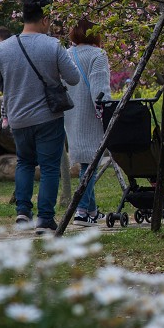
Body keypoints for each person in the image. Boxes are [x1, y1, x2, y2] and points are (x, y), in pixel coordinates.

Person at [0, 0, 80, 234]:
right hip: (48, 117)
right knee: (49, 167)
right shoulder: (52, 45)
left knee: (24, 163)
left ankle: (23, 213)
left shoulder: (4, 48)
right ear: (45, 19)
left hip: (17, 118)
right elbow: (74, 78)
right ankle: (45, 219)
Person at [65, 18, 112, 225]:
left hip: (70, 114)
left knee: (86, 160)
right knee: (90, 163)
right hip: (91, 115)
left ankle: (92, 211)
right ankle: (82, 211)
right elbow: (99, 89)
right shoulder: (98, 55)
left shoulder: (66, 54)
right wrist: (107, 111)